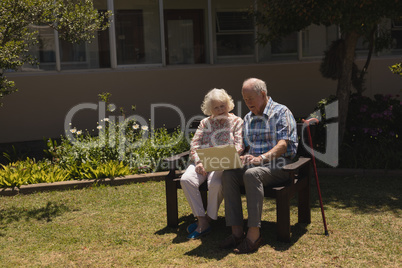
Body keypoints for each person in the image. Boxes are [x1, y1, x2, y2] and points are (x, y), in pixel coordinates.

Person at [219, 78, 298, 254]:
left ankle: (254, 236)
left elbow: (283, 144)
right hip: (255, 165)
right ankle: (237, 232)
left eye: (250, 98)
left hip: (280, 164)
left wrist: (262, 158)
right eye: (244, 99)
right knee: (228, 174)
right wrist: (238, 157)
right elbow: (246, 146)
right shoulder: (248, 118)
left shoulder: (281, 112)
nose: (247, 103)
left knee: (251, 174)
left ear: (262, 95)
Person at [181, 88, 244, 239]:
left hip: (222, 163)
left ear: (228, 104)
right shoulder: (204, 123)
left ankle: (207, 221)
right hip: (202, 163)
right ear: (210, 109)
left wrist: (220, 160)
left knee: (214, 184)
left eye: (223, 105)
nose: (220, 109)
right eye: (216, 107)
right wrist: (199, 162)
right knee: (186, 180)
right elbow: (194, 145)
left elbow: (239, 146)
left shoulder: (236, 121)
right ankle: (202, 220)